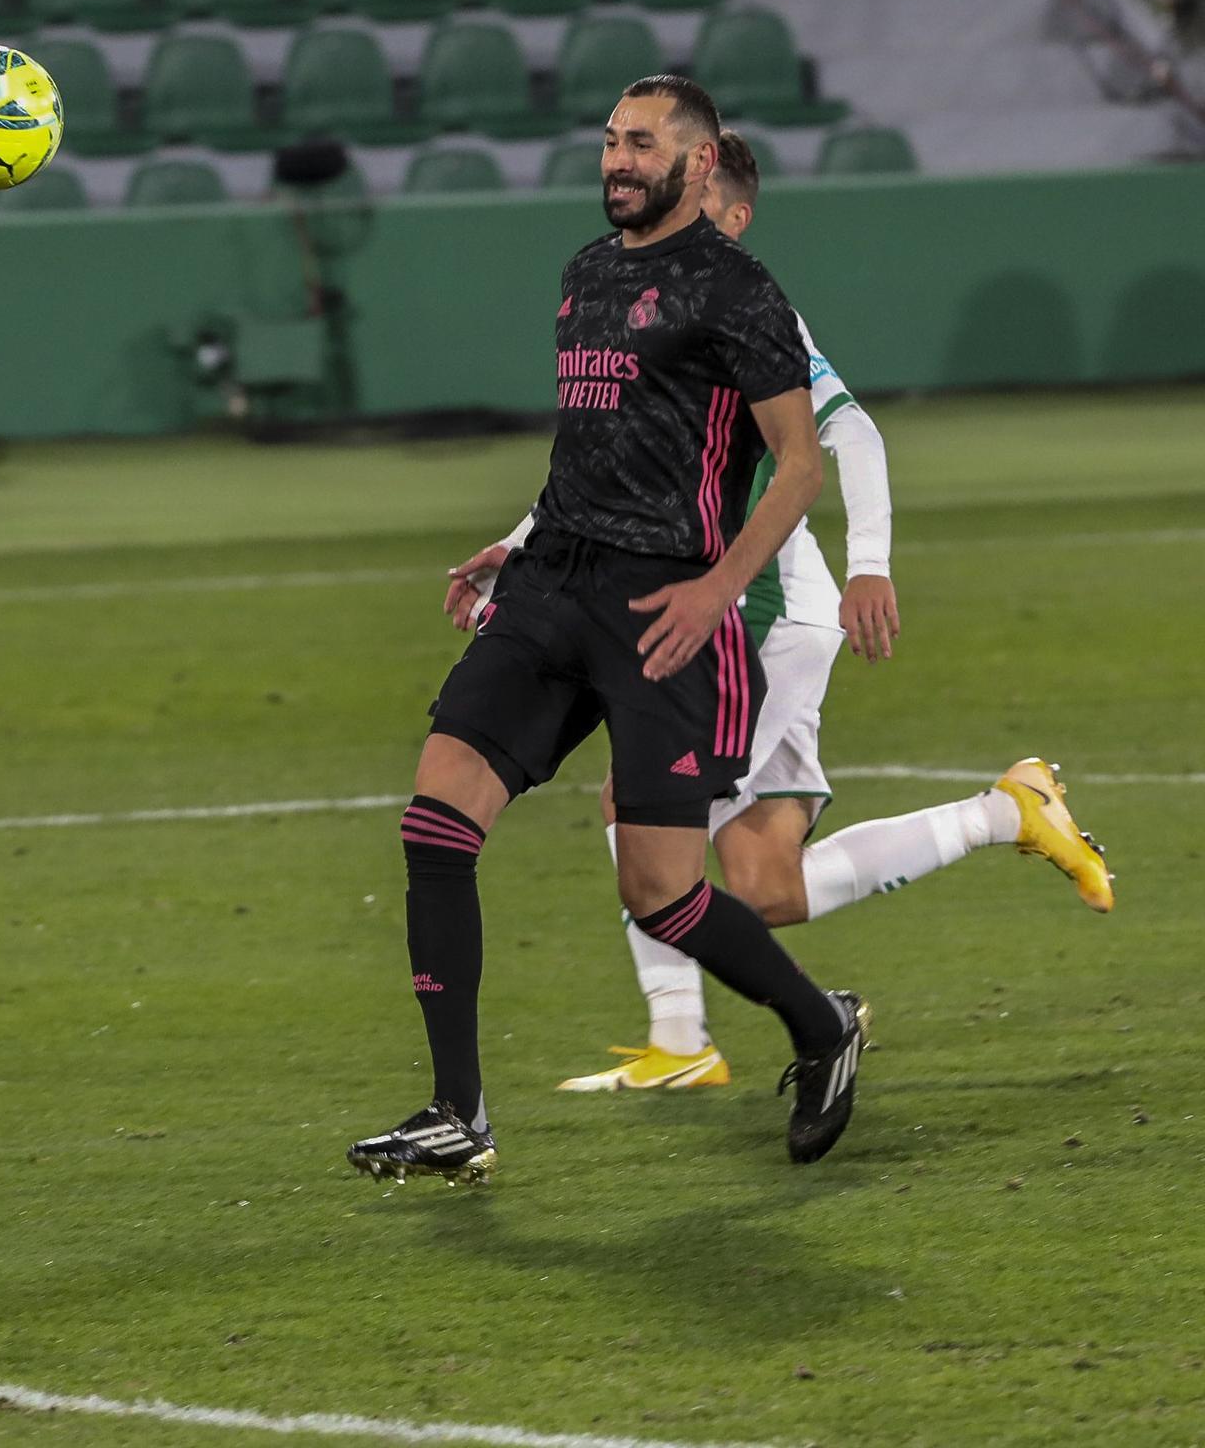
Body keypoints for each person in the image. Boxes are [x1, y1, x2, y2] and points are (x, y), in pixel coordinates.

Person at [346, 76, 865, 1185]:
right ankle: (457, 1113)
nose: (614, 160)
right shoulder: (585, 272)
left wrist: (719, 587)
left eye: (638, 143)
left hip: (661, 607)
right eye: (607, 142)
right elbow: (593, 443)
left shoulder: (739, 292)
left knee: (663, 895)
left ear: (696, 157)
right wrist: (517, 539)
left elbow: (802, 461)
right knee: (435, 821)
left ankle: (819, 1026)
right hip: (552, 585)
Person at [533, 132, 1115, 1093]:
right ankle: (1007, 812)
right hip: (744, 611)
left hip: (765, 615)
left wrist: (871, 565)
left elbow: (854, 433)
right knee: (769, 887)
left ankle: (681, 1042)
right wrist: (521, 555)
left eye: (697, 200)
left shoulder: (752, 308)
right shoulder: (648, 308)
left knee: (636, 801)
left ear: (730, 213)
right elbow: (602, 475)